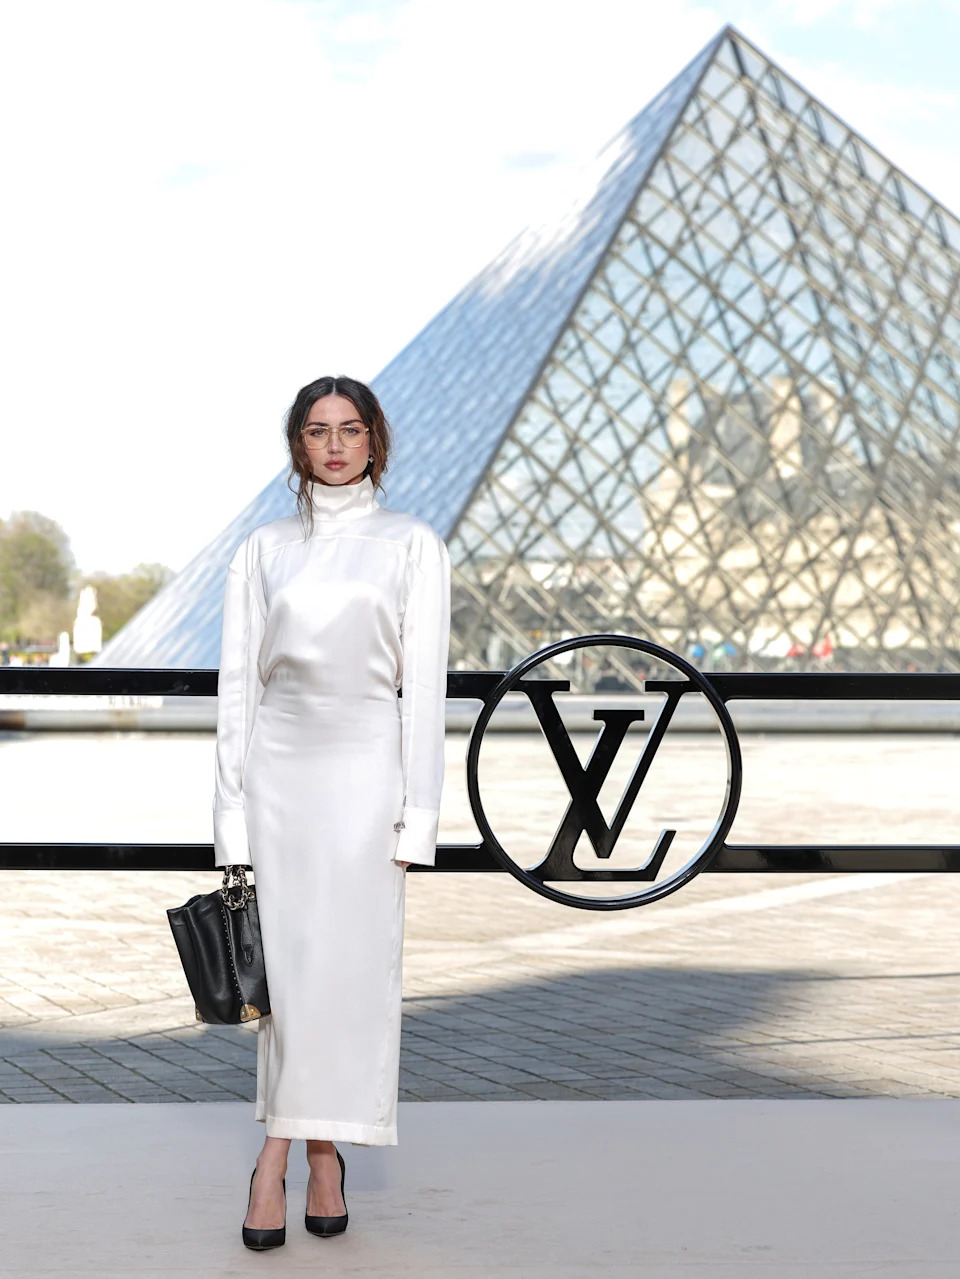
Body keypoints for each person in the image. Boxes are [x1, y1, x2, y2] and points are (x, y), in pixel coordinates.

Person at [211, 374, 451, 1249]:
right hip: (279, 776)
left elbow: (421, 694)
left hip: (364, 778)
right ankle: (315, 1159)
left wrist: (417, 815)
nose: (337, 444)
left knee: (344, 976)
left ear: (375, 440)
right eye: (319, 430)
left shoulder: (413, 545)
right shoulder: (261, 550)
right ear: (298, 445)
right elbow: (239, 692)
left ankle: (279, 1159)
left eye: (351, 429)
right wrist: (229, 820)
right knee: (289, 985)